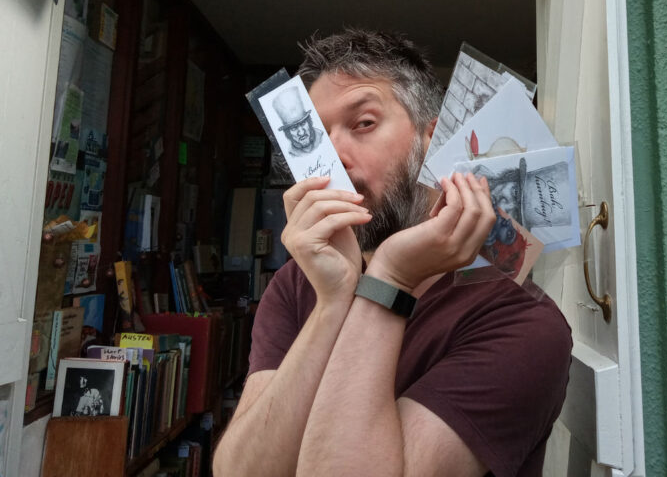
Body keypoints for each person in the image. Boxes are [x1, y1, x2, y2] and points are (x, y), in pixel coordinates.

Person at [213, 29, 572, 477]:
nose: (335, 156)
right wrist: (331, 305)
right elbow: (242, 472)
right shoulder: (296, 284)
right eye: (317, 138)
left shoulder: (523, 325)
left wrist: (389, 278)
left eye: (363, 123)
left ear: (434, 140)